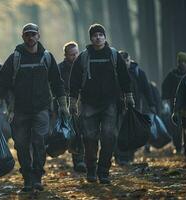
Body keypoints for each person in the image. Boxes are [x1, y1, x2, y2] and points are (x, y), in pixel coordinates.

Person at [0, 23, 68, 192]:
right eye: (27, 35)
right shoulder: (15, 58)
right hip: (20, 110)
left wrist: (63, 106)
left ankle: (37, 176)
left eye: (33, 34)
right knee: (21, 144)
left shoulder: (47, 57)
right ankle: (27, 178)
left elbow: (57, 82)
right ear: (23, 37)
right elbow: (2, 84)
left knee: (39, 143)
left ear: (38, 36)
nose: (30, 37)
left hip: (41, 109)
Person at [69, 24, 133, 184]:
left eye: (100, 34)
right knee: (89, 138)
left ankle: (103, 171)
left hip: (110, 103)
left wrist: (129, 96)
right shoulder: (83, 57)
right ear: (90, 38)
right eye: (95, 35)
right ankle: (91, 170)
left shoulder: (113, 55)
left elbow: (125, 76)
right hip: (89, 104)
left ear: (105, 37)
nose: (98, 37)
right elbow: (74, 80)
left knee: (109, 137)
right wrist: (73, 101)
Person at [117, 51, 156, 159]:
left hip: (136, 106)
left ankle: (130, 154)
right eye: (122, 61)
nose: (125, 63)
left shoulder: (138, 72)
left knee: (132, 130)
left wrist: (151, 104)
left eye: (127, 60)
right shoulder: (114, 72)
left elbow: (147, 89)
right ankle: (120, 155)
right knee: (120, 130)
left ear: (130, 60)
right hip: (118, 107)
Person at [57, 41, 86, 172]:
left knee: (86, 132)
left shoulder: (84, 65)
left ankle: (87, 160)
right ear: (65, 55)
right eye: (71, 55)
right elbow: (57, 87)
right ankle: (79, 161)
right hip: (67, 103)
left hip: (84, 101)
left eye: (76, 53)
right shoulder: (60, 69)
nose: (74, 57)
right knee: (75, 132)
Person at [162, 52, 186, 154]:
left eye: (184, 62)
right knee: (176, 127)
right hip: (175, 105)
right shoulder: (172, 75)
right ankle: (178, 147)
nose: (182, 64)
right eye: (180, 62)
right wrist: (166, 100)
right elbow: (165, 87)